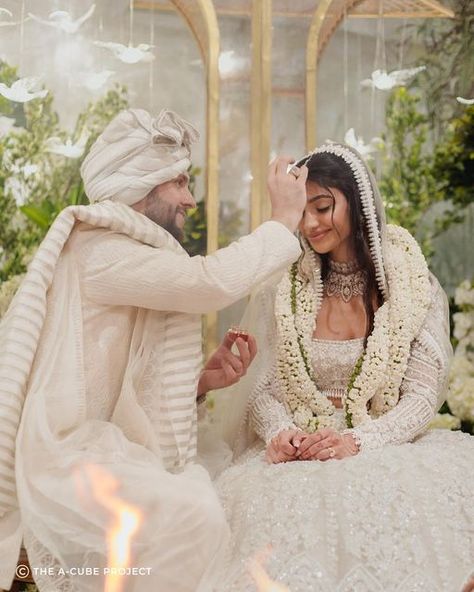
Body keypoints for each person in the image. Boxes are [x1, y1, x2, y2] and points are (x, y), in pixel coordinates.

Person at [0, 108, 309, 592]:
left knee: (233, 491)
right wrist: (283, 218)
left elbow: (113, 378)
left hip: (100, 446)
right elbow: (207, 282)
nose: (189, 198)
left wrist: (201, 381)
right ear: (141, 185)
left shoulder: (122, 247)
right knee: (193, 511)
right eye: (179, 183)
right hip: (64, 456)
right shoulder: (98, 248)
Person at [213, 143, 474, 591]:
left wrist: (359, 439)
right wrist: (279, 432)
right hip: (297, 450)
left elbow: (422, 396)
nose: (311, 224)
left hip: (385, 442)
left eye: (323, 206)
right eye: (302, 211)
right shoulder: (284, 283)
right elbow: (261, 384)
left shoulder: (412, 281)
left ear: (359, 201)